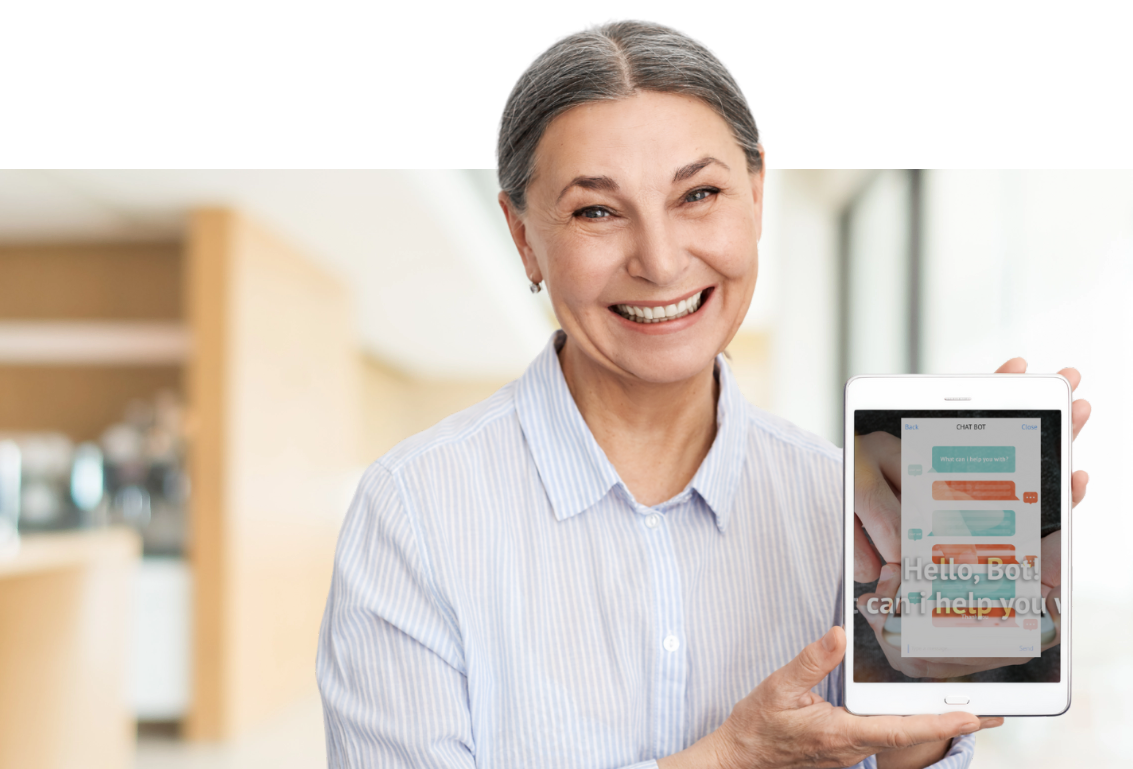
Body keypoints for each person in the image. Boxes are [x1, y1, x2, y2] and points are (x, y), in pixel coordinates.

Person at [317, 18, 1092, 769]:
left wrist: (922, 703)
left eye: (698, 196)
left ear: (756, 193)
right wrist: (728, 761)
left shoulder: (843, 501)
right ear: (524, 237)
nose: (659, 261)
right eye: (596, 210)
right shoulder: (413, 512)